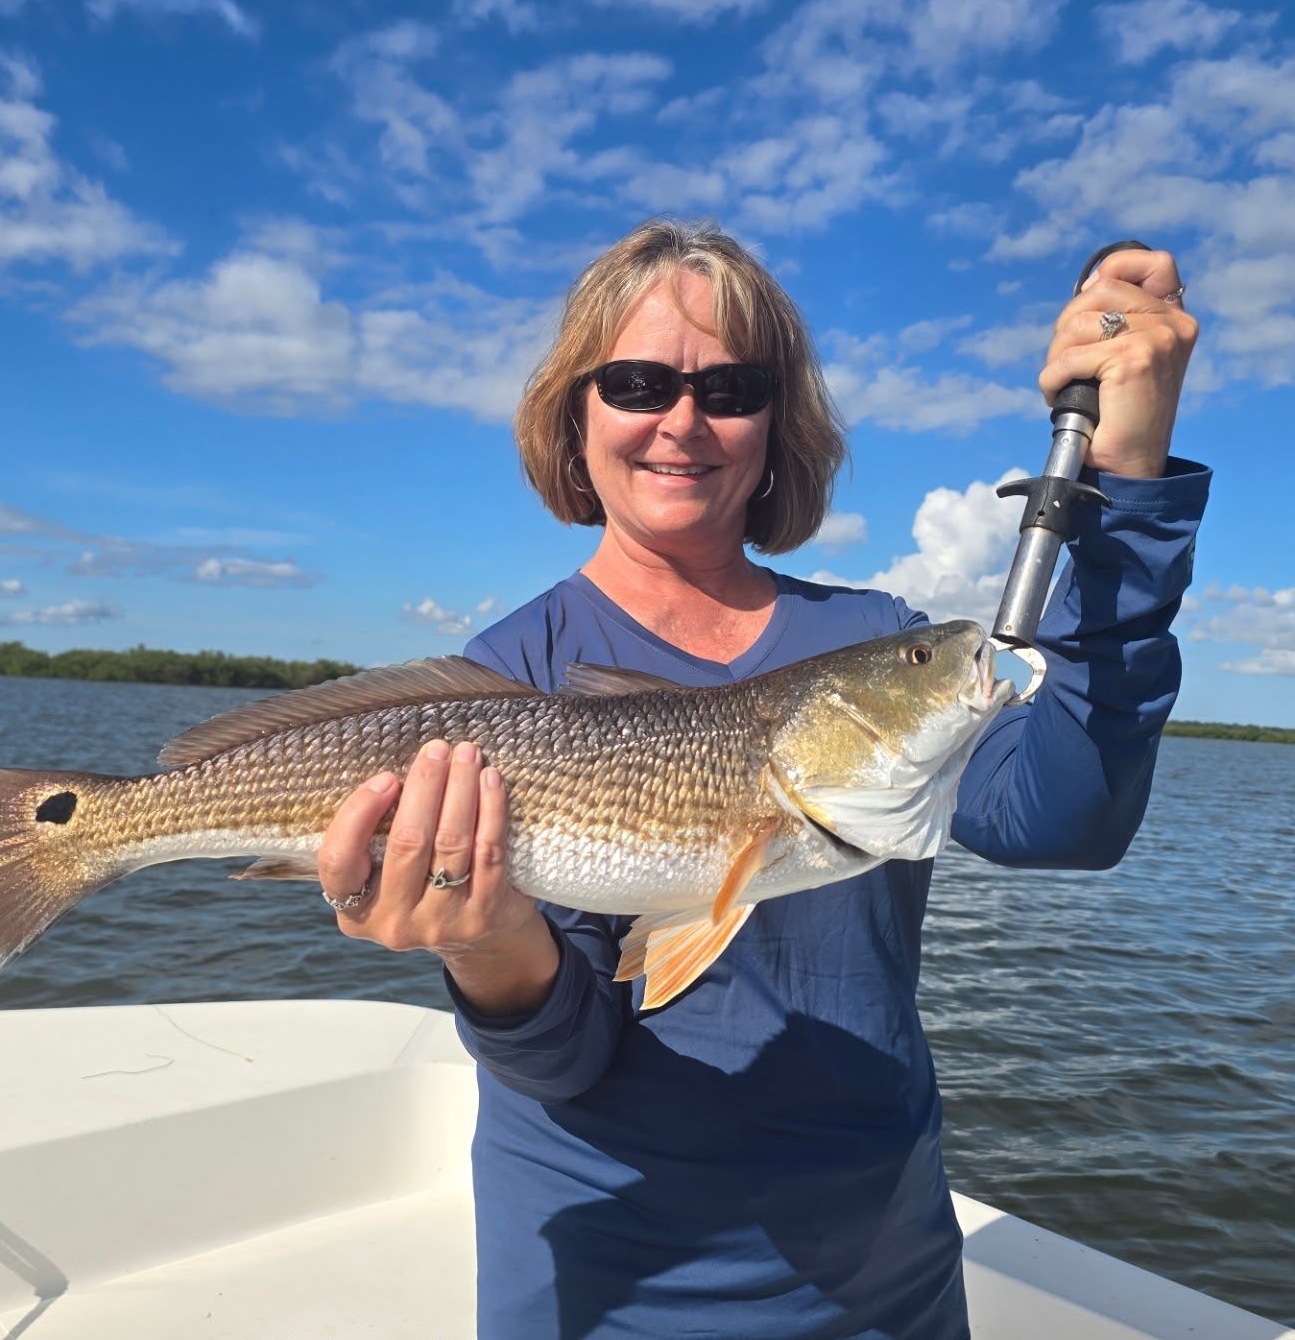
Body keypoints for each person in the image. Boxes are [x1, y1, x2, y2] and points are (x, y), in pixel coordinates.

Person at [316, 219, 1207, 1339]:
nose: (683, 420)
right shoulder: (505, 687)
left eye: (731, 387)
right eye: (638, 382)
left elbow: (1065, 818)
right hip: (611, 1289)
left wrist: (1128, 481)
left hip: (895, 1280)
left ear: (779, 425)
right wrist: (483, 943)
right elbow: (570, 1056)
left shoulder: (881, 639)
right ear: (574, 413)